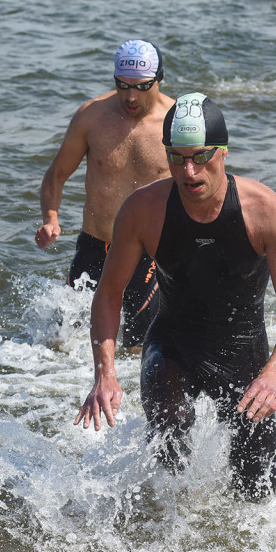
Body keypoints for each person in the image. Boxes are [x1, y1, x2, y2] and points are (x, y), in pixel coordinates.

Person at [74, 93, 276, 500]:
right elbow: (109, 295)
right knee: (170, 435)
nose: (189, 171)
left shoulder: (267, 211)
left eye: (200, 156)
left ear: (222, 152)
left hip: (243, 353)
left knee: (256, 496)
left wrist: (272, 376)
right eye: (176, 157)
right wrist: (105, 374)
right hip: (173, 344)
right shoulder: (143, 210)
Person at [36, 40, 174, 348]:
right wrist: (50, 217)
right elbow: (56, 174)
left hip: (151, 251)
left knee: (139, 347)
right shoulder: (91, 116)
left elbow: (206, 183)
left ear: (158, 80)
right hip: (96, 246)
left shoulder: (176, 122)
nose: (130, 96)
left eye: (140, 87)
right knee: (60, 342)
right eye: (122, 85)